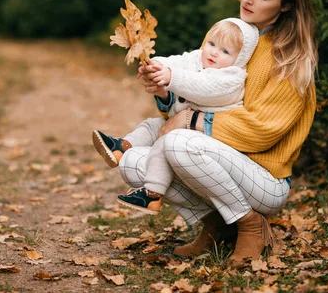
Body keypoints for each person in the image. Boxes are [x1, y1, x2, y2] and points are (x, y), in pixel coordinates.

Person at [121, 0, 317, 267]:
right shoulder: (232, 34)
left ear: (286, 5)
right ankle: (217, 227)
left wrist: (193, 119)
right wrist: (166, 93)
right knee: (130, 162)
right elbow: (193, 100)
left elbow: (261, 131)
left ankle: (251, 225)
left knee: (176, 142)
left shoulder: (290, 59)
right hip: (215, 158)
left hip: (264, 177)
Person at [92, 17, 259, 215]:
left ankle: (152, 194)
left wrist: (171, 76)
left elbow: (202, 85)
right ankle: (121, 147)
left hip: (211, 140)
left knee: (166, 143)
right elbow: (177, 61)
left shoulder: (233, 78)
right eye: (211, 44)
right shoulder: (198, 59)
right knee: (152, 125)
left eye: (225, 51)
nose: (214, 52)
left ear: (239, 59)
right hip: (185, 128)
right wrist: (155, 66)